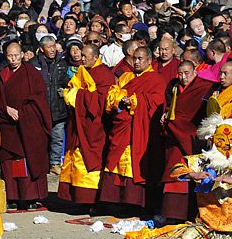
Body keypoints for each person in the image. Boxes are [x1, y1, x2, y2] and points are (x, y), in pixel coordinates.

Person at [100, 46, 167, 211]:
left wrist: (135, 100)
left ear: (149, 61)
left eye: (140, 59)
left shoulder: (156, 79)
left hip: (140, 130)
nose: (136, 62)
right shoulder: (125, 77)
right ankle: (114, 201)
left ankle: (134, 203)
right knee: (115, 161)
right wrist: (119, 99)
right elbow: (112, 94)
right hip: (122, 126)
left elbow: (157, 101)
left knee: (133, 163)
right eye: (134, 58)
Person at [0, 40, 52, 211]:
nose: (13, 59)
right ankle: (13, 196)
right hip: (8, 124)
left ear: (22, 55)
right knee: (9, 161)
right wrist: (7, 109)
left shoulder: (31, 73)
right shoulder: (2, 74)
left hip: (28, 124)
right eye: (10, 56)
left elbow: (39, 98)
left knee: (28, 158)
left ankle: (30, 197)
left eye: (16, 55)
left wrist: (24, 113)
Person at [58, 44, 115, 206]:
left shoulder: (104, 74)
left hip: (95, 127)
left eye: (85, 56)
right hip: (79, 124)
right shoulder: (83, 71)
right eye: (81, 55)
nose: (81, 58)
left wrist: (78, 95)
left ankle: (92, 199)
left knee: (92, 160)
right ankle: (76, 197)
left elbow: (101, 101)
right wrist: (71, 93)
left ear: (95, 57)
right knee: (76, 157)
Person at [161, 59, 215, 223]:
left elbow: (204, 114)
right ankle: (172, 214)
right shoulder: (174, 87)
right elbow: (170, 107)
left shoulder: (204, 88)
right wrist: (166, 115)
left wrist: (175, 122)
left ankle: (189, 214)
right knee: (174, 171)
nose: (183, 77)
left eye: (187, 73)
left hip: (190, 135)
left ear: (195, 72)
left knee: (190, 172)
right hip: (175, 137)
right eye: (181, 73)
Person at [30, 35, 72, 175]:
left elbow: (67, 80)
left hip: (58, 107)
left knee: (57, 137)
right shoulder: (33, 64)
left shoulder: (62, 62)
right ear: (41, 49)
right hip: (40, 108)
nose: (52, 49)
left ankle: (55, 163)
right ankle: (40, 164)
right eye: (49, 47)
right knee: (40, 139)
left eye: (54, 46)